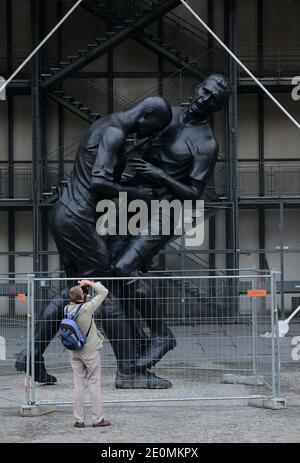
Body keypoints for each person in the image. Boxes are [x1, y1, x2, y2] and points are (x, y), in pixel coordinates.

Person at [15, 96, 173, 389]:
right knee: (104, 290)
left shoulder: (105, 125)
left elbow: (93, 175)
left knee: (76, 290)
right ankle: (129, 372)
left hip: (65, 214)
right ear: (147, 114)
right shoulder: (115, 133)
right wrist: (140, 194)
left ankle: (32, 354)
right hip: (77, 219)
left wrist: (128, 180)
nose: (151, 135)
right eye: (154, 128)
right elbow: (99, 181)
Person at [96, 75, 232, 372]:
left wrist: (160, 175)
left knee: (122, 268)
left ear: (217, 107)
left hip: (168, 208)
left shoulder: (206, 143)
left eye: (213, 100)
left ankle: (161, 335)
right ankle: (139, 341)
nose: (204, 100)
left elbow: (194, 193)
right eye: (204, 91)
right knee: (110, 272)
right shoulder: (167, 112)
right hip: (137, 198)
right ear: (198, 87)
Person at [67, 279, 110, 428]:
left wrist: (79, 289)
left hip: (74, 351)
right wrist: (89, 283)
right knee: (94, 383)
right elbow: (104, 292)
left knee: (78, 385)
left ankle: (79, 420)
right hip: (90, 351)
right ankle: (98, 419)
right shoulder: (88, 308)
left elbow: (78, 301)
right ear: (83, 297)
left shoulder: (67, 309)